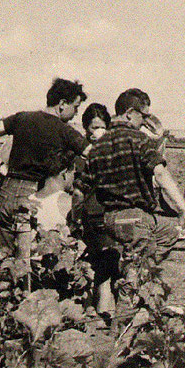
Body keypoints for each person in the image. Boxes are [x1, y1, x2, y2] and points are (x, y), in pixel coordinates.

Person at [74, 89, 185, 314]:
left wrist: (76, 220)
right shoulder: (138, 140)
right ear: (130, 113)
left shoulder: (97, 146)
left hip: (109, 219)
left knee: (169, 230)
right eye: (144, 116)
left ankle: (130, 267)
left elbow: (79, 192)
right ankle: (124, 325)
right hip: (135, 218)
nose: (145, 122)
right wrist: (184, 209)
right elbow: (160, 175)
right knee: (138, 275)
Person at [0, 78, 89, 258]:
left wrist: (0, 166)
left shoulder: (22, 118)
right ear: (62, 104)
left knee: (2, 260)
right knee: (27, 264)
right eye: (75, 107)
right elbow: (93, 153)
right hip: (34, 199)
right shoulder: (65, 130)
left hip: (5, 195)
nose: (76, 113)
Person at [75, 103, 115, 313]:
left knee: (104, 264)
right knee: (94, 263)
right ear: (86, 128)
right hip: (89, 213)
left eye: (100, 127)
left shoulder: (110, 152)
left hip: (104, 213)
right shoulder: (81, 153)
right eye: (92, 128)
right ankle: (96, 308)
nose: (95, 132)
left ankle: (102, 309)